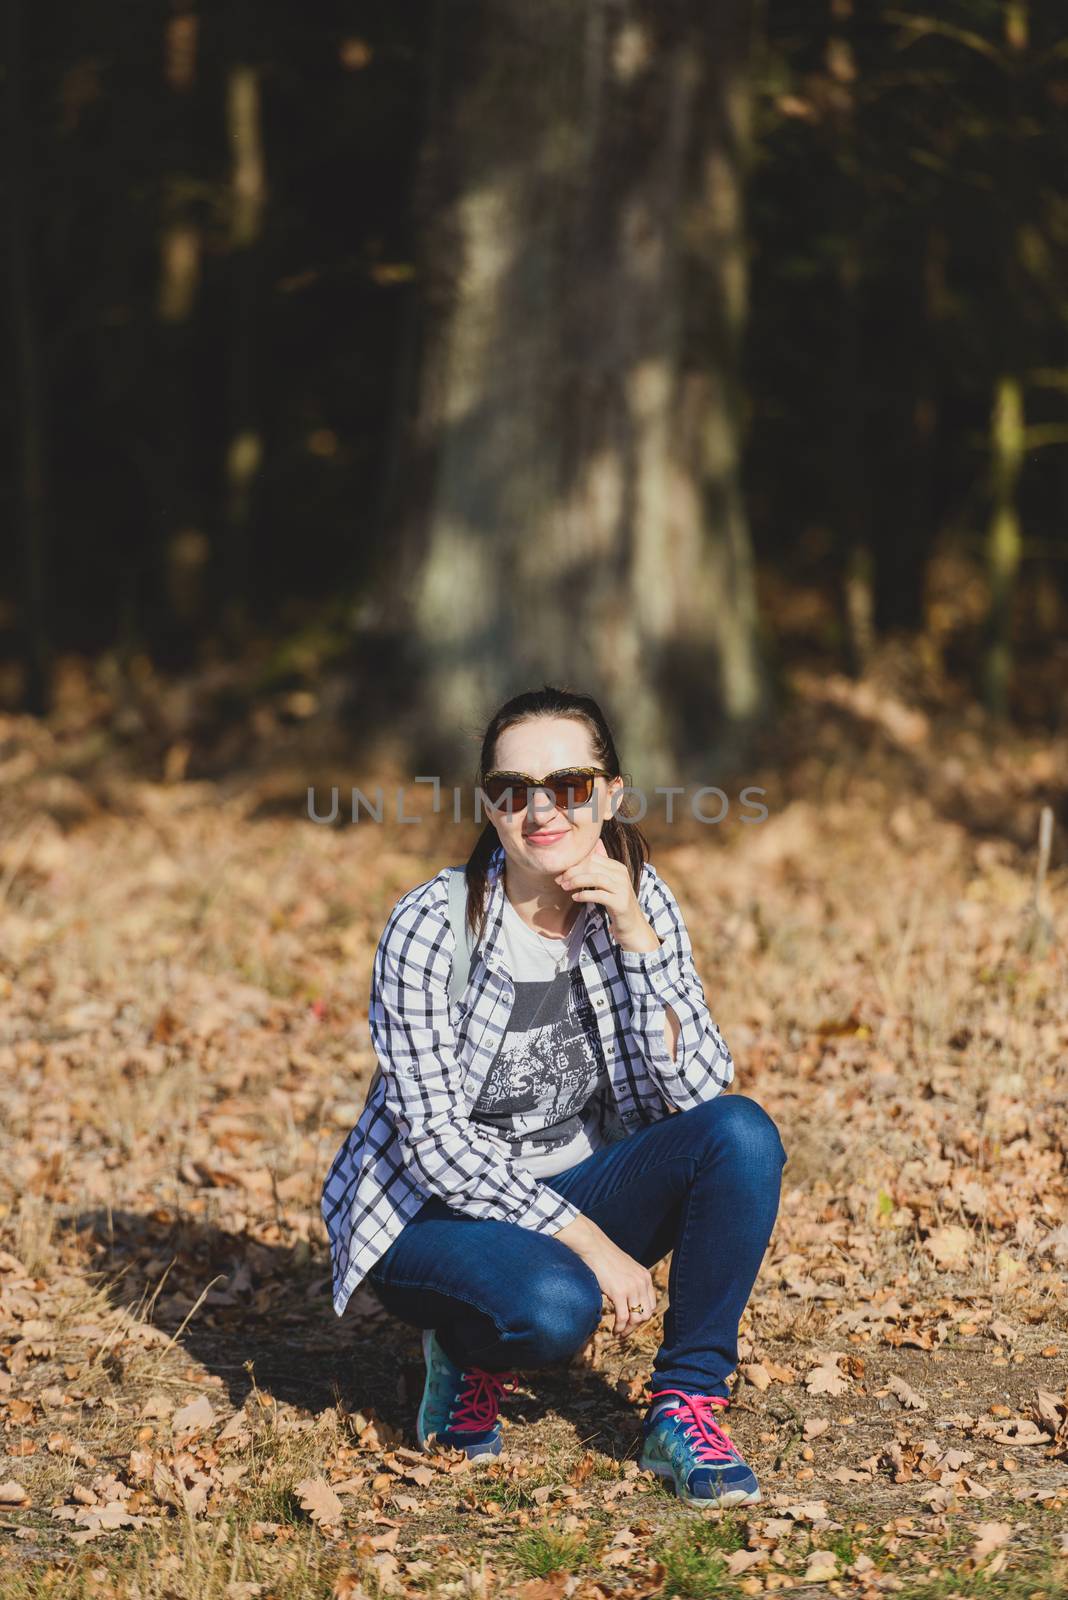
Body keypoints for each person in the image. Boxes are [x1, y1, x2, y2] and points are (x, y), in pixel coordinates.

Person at [321, 685, 788, 1508]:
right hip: (427, 1215)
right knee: (554, 1306)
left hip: (567, 1186)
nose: (542, 810)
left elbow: (699, 1089)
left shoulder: (641, 899)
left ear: (610, 794)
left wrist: (640, 943)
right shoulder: (432, 926)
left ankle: (685, 1404)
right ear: (490, 807)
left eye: (568, 786)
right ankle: (465, 1351)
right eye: (513, 791)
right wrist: (595, 1247)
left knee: (741, 1134)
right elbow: (433, 1143)